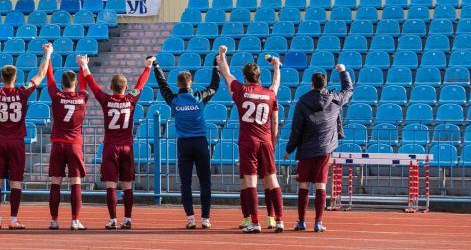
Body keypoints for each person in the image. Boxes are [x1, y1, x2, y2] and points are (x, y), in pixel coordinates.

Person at [0, 44, 52, 229]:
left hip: (0, 141)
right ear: (15, 78)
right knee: (16, 182)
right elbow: (41, 74)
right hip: (16, 142)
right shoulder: (22, 92)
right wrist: (47, 54)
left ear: (1, 77)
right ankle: (13, 219)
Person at [216, 46, 284, 233]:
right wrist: (277, 66)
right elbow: (276, 84)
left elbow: (226, 72)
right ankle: (279, 220)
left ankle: (255, 222)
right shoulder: (269, 94)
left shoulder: (241, 89)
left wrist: (222, 54)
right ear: (259, 76)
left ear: (245, 77)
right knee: (272, 181)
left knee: (250, 181)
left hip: (248, 141)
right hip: (266, 140)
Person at [80, 58, 150, 229]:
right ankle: (127, 219)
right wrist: (148, 67)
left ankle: (112, 220)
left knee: (111, 185)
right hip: (127, 146)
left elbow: (94, 86)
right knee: (127, 185)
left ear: (111, 87)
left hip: (110, 146)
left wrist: (84, 66)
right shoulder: (130, 100)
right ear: (126, 88)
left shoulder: (106, 99)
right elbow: (140, 85)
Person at [151, 56, 220, 229]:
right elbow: (214, 86)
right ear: (191, 83)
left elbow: (162, 86)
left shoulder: (174, 100)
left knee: (186, 183)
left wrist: (156, 66)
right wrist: (215, 65)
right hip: (200, 143)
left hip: (184, 145)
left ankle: (190, 218)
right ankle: (205, 218)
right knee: (205, 182)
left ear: (178, 84)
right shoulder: (199, 97)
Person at [286, 64, 353, 233]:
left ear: (311, 84)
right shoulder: (335, 98)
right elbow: (349, 89)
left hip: (306, 149)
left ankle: (301, 221)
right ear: (324, 85)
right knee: (320, 185)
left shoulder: (302, 101)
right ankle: (318, 222)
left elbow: (296, 129)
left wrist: (289, 149)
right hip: (325, 149)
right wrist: (343, 71)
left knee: (303, 185)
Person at [44, 57, 89, 230]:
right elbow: (84, 86)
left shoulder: (56, 95)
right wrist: (82, 66)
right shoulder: (82, 97)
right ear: (75, 83)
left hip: (58, 143)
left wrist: (49, 57)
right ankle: (75, 220)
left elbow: (49, 79)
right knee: (75, 181)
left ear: (62, 84)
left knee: (56, 182)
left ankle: (54, 220)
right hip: (74, 144)